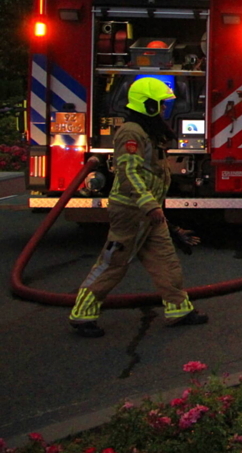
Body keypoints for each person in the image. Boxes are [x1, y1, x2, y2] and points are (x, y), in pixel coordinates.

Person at [69, 77, 207, 338]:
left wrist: (155, 210)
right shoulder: (131, 133)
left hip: (147, 212)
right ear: (149, 106)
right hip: (131, 212)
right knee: (113, 263)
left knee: (165, 260)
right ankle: (82, 314)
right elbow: (128, 172)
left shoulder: (147, 133)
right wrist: (148, 205)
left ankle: (178, 309)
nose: (166, 109)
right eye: (162, 104)